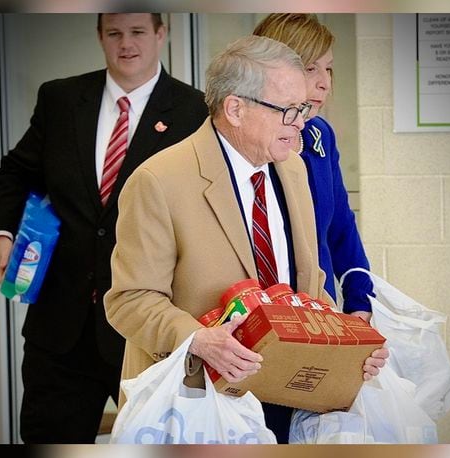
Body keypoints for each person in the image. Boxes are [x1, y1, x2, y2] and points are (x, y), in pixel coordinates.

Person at [104, 35, 387, 444]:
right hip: (199, 403)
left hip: (288, 396)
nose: (302, 123)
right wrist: (199, 339)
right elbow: (130, 300)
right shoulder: (158, 181)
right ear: (235, 108)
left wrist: (349, 347)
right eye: (289, 110)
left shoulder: (293, 170)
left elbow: (310, 288)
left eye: (303, 109)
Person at [0, 13, 208, 443]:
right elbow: (15, 173)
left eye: (138, 32)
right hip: (62, 326)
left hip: (147, 327)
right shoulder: (61, 99)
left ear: (161, 34)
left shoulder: (193, 109)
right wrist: (1, 236)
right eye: (115, 33)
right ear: (100, 37)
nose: (127, 44)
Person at [254, 14, 376, 320]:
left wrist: (360, 301)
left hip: (321, 313)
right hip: (259, 315)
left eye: (329, 68)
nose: (325, 82)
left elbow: (341, 228)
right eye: (311, 68)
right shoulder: (249, 140)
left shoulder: (320, 134)